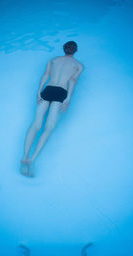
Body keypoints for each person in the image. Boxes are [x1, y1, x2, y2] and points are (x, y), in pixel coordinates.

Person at [20, 41, 84, 177]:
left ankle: (25, 155)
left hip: (48, 89)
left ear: (64, 49)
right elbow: (73, 81)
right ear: (75, 51)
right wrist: (68, 99)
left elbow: (45, 76)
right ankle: (32, 159)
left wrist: (38, 92)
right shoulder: (78, 66)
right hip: (61, 92)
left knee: (36, 124)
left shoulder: (53, 60)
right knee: (48, 128)